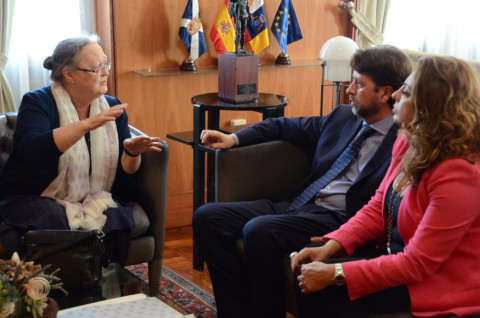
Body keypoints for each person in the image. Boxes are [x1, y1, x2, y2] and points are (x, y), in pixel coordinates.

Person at [192, 45, 412, 318]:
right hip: (299, 203)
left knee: (260, 231)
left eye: (359, 83)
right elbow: (285, 126)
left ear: (386, 93)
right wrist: (235, 138)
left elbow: (384, 208)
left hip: (339, 220)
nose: (349, 90)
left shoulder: (402, 141)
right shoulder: (342, 117)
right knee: (207, 217)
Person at [291, 56, 480, 317]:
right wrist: (331, 246)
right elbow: (378, 204)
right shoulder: (407, 142)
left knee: (327, 291)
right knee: (311, 281)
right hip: (396, 257)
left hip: (436, 282)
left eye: (408, 92)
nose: (398, 94)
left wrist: (336, 272)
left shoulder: (460, 172)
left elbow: (419, 263)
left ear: (429, 108)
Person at [0, 35, 163, 264]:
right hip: (36, 194)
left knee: (116, 217)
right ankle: (56, 291)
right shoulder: (37, 102)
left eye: (106, 64)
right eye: (97, 68)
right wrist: (86, 125)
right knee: (55, 218)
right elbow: (31, 150)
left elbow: (126, 174)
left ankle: (100, 285)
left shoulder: (112, 106)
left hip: (92, 196)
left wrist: (132, 153)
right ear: (69, 74)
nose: (106, 72)